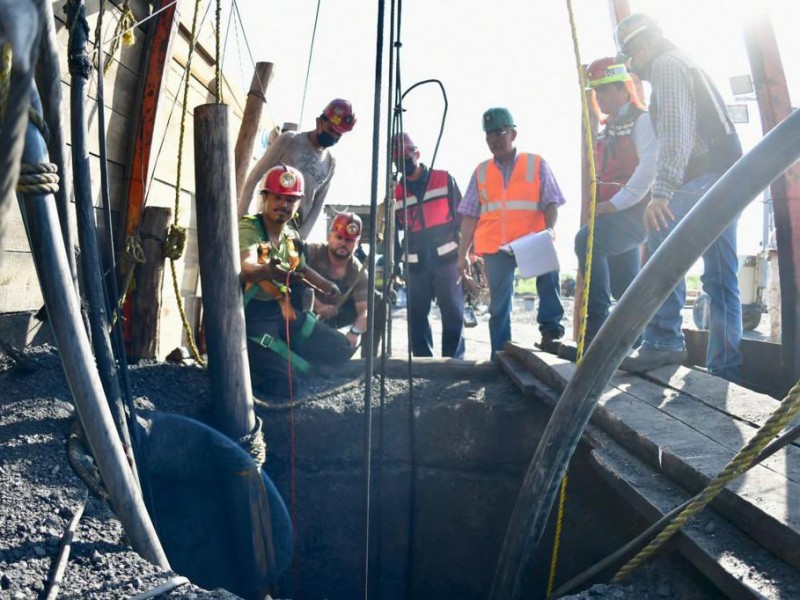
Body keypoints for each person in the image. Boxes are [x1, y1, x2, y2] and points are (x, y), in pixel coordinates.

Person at [615, 14, 743, 380]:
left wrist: (663, 192)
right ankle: (725, 368)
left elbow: (675, 134)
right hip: (730, 178)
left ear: (640, 47)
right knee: (721, 277)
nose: (635, 68)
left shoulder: (668, 65)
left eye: (631, 59)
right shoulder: (686, 61)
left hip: (708, 176)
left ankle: (662, 341)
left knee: (661, 227)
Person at [457, 107, 566, 359]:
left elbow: (552, 200)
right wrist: (462, 254)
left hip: (531, 239)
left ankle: (551, 329)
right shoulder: (481, 171)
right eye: (488, 136)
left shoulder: (536, 163)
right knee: (499, 306)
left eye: (499, 133)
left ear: (513, 134)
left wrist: (549, 231)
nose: (493, 140)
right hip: (496, 247)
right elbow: (470, 215)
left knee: (549, 275)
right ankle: (500, 352)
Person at [240, 164, 353, 396]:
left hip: (285, 313)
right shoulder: (250, 228)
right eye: (278, 197)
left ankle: (288, 360)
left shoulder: (290, 235)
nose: (283, 205)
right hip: (256, 318)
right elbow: (246, 267)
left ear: (298, 203)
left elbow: (302, 268)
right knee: (287, 385)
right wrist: (266, 270)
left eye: (290, 200)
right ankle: (260, 369)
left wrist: (327, 287)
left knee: (341, 347)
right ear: (265, 197)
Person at [574, 58, 657, 346]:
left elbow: (649, 168)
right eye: (596, 91)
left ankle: (595, 335)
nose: (599, 96)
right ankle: (634, 344)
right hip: (613, 213)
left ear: (624, 89)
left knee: (587, 240)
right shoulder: (607, 130)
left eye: (606, 89)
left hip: (634, 212)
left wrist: (614, 204)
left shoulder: (642, 120)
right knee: (625, 286)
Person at [392, 132, 465, 358]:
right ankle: (423, 361)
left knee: (452, 311)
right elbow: (394, 232)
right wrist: (395, 265)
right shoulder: (396, 192)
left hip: (447, 260)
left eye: (405, 157)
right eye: (397, 161)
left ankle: (453, 361)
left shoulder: (443, 179)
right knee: (416, 314)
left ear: (417, 154)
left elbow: (462, 218)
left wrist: (468, 255)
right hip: (416, 263)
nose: (402, 164)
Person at [238, 99, 357, 237]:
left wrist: (300, 238)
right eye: (331, 130)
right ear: (319, 122)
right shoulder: (290, 140)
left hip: (293, 233)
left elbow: (317, 205)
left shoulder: (330, 163)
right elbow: (255, 175)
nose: (333, 136)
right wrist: (243, 214)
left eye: (338, 134)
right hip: (266, 224)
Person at [305, 211, 385, 355]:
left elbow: (364, 311)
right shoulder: (312, 253)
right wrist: (319, 306)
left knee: (378, 301)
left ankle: (366, 361)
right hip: (306, 312)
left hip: (336, 314)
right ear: (329, 237)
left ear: (357, 243)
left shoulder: (359, 272)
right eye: (339, 237)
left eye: (349, 240)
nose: (343, 243)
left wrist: (354, 333)